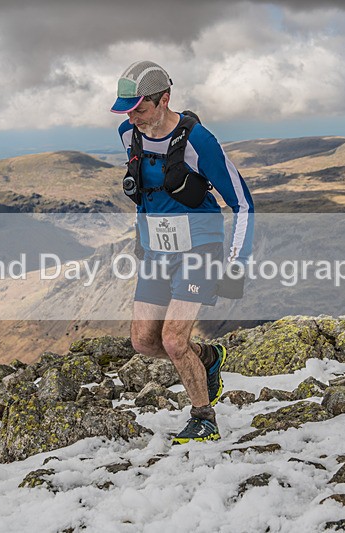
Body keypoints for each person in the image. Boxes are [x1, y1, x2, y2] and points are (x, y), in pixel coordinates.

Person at [110, 60, 254, 444]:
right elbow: (144, 192)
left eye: (139, 107)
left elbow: (242, 203)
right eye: (126, 108)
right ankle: (208, 358)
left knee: (174, 340)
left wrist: (237, 263)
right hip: (158, 250)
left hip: (200, 247)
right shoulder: (129, 134)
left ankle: (203, 417)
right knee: (144, 342)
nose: (132, 116)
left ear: (164, 99)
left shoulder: (198, 141)